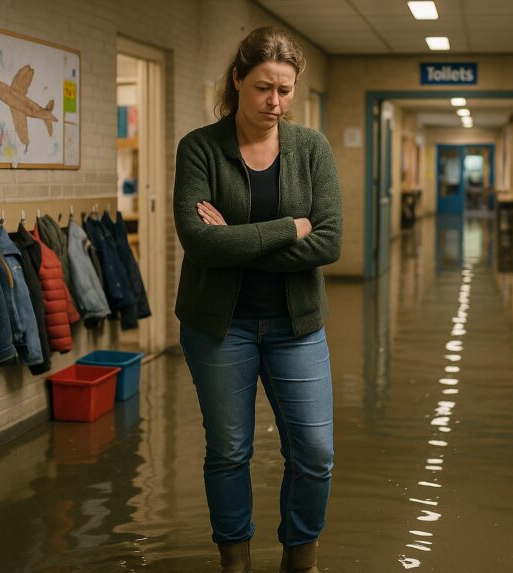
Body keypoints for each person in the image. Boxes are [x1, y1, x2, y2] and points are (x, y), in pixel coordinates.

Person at [173, 26, 342, 573]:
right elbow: (199, 241)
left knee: (314, 454)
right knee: (229, 452)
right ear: (237, 80)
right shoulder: (199, 147)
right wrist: (288, 227)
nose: (275, 102)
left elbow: (329, 240)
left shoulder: (311, 148)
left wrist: (236, 242)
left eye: (285, 90)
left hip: (298, 327)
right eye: (264, 87)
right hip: (220, 328)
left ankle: (301, 561)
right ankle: (236, 563)